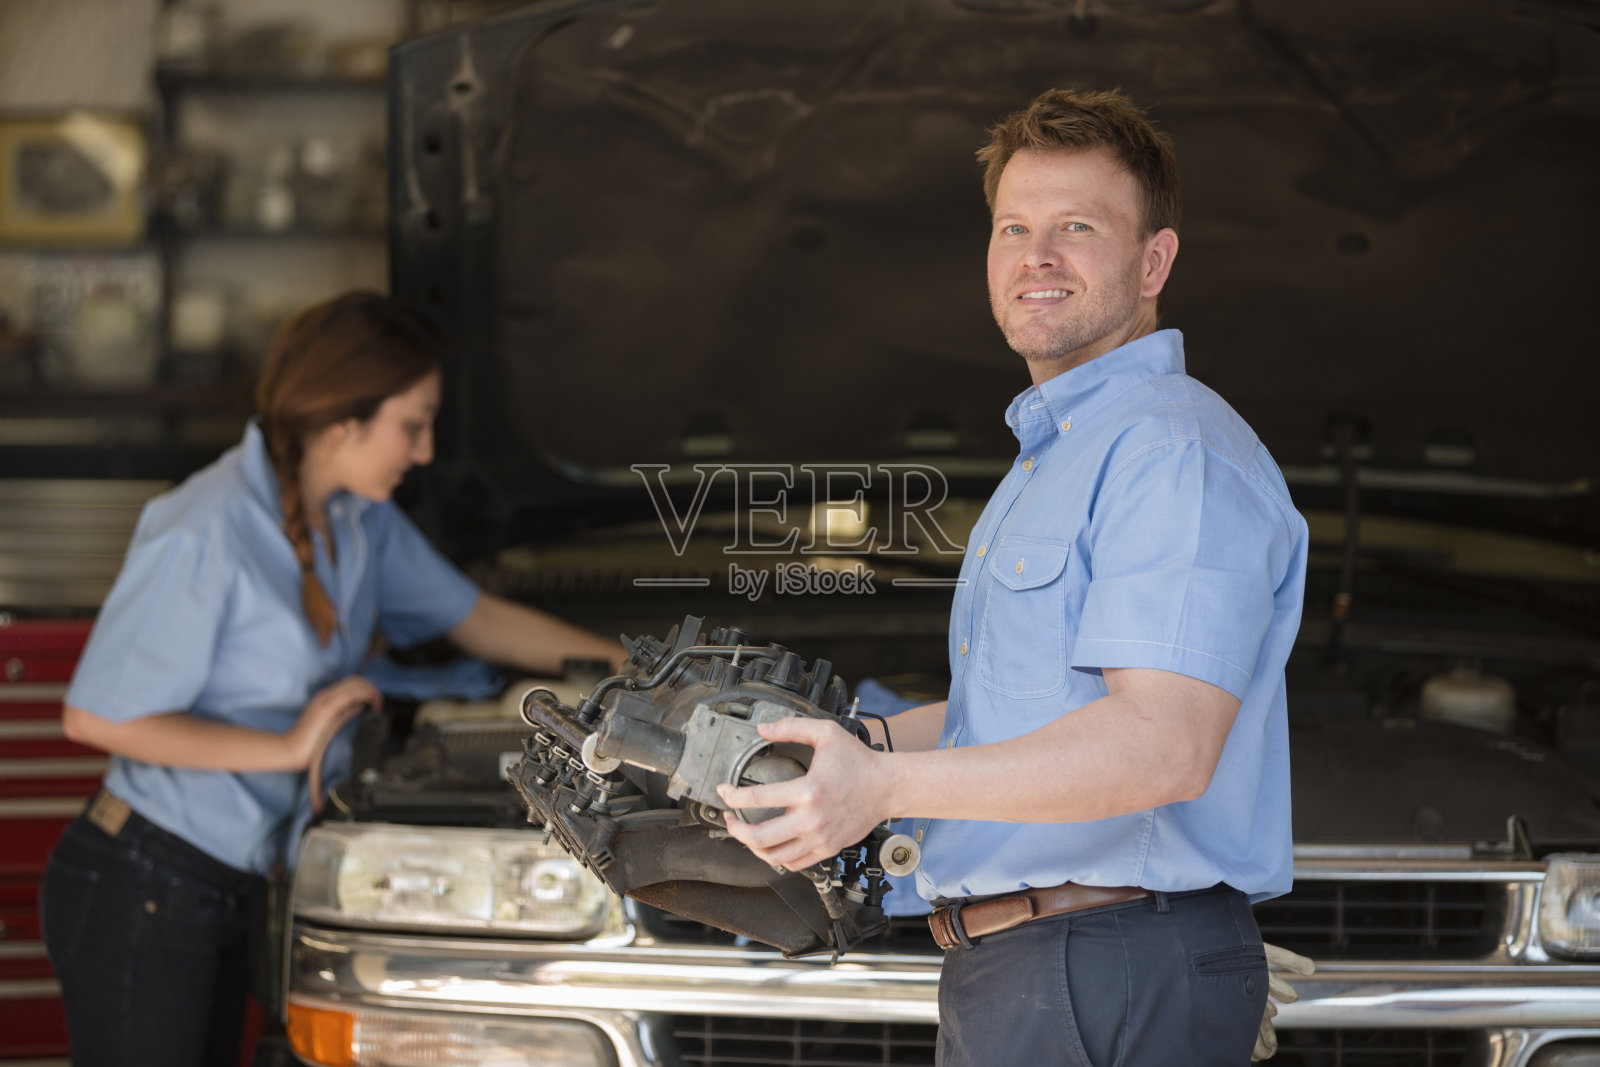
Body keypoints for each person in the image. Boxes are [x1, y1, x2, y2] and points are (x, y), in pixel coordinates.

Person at [718, 89, 1311, 1064]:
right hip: (1039, 966)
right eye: (1013, 228)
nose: (1036, 256)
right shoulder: (1062, 452)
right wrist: (847, 742)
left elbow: (1163, 745)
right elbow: (1018, 713)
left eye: (1075, 227)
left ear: (1153, 260)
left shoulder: (1170, 452)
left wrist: (886, 784)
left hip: (1098, 962)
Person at [38, 290, 625, 1067]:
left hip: (233, 881)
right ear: (343, 422)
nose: (423, 451)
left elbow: (473, 616)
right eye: (411, 425)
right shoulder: (205, 527)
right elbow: (97, 716)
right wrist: (288, 746)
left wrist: (627, 667)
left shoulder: (360, 518)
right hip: (148, 880)